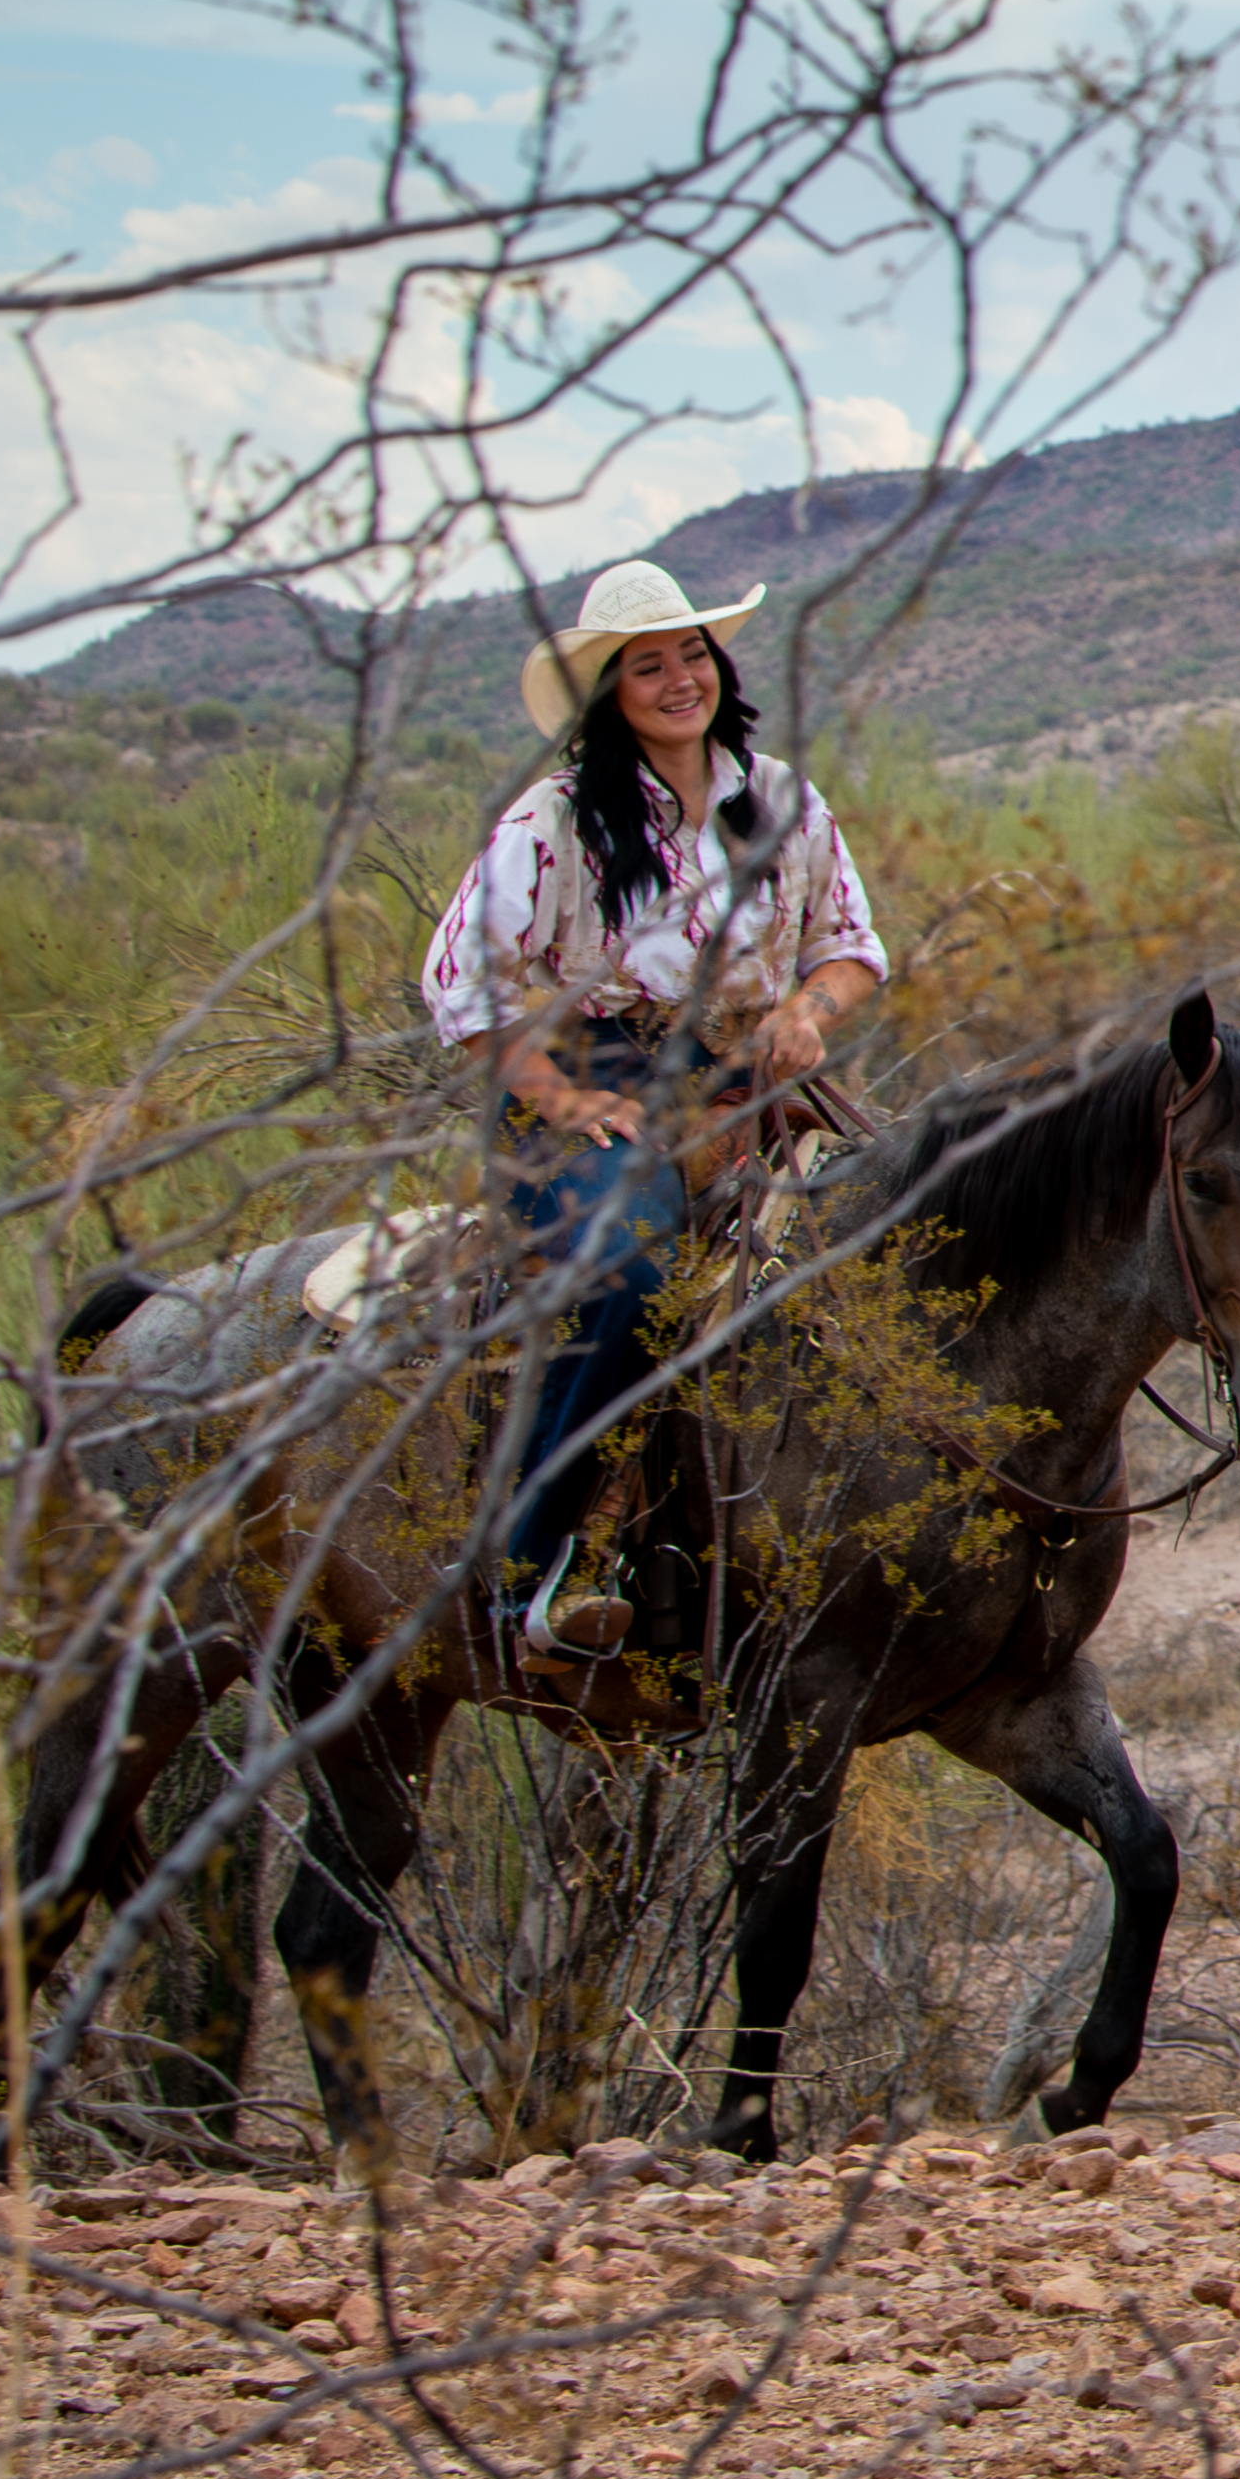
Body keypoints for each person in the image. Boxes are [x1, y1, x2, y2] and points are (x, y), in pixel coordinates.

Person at [414, 562, 894, 1665]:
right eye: (648, 664)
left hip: (750, 1083)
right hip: (592, 1073)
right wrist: (567, 1097)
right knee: (631, 1270)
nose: (679, 677)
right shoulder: (552, 821)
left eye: (691, 654)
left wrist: (809, 1012)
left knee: (903, 1231)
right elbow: (460, 983)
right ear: (611, 693)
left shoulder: (780, 798)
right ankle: (521, 1573)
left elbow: (850, 945)